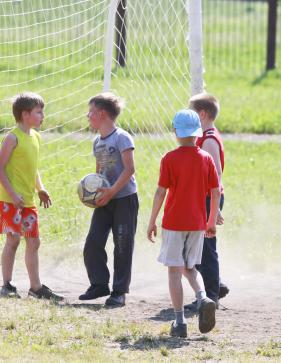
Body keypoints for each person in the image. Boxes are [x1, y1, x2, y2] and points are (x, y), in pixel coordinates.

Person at [147, 109, 221, 338]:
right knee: (190, 268)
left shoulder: (169, 158)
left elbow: (160, 192)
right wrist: (210, 221)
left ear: (175, 132)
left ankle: (179, 323)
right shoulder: (206, 158)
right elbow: (215, 192)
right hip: (198, 223)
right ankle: (203, 297)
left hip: (173, 223)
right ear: (197, 132)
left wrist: (151, 221)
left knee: (173, 272)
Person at [0, 92, 63, 301]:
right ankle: (7, 284)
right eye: (39, 112)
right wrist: (13, 194)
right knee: (13, 240)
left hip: (28, 200)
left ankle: (36, 287)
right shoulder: (12, 137)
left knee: (34, 242)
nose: (43, 115)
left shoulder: (36, 137)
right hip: (10, 200)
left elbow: (33, 169)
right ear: (25, 114)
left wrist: (40, 188)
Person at [79, 92, 138, 308]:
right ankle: (99, 284)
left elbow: (130, 169)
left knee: (122, 245)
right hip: (105, 199)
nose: (88, 116)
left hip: (124, 199)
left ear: (102, 113)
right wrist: (94, 193)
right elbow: (99, 172)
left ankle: (119, 292)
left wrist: (112, 191)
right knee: (93, 243)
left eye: (90, 112)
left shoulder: (121, 137)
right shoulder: (97, 141)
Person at [185, 93, 229, 311]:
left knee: (205, 247)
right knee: (200, 245)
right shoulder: (203, 135)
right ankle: (216, 285)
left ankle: (210, 295)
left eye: (191, 111)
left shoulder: (209, 139)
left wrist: (215, 206)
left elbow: (216, 175)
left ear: (202, 114)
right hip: (202, 198)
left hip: (208, 198)